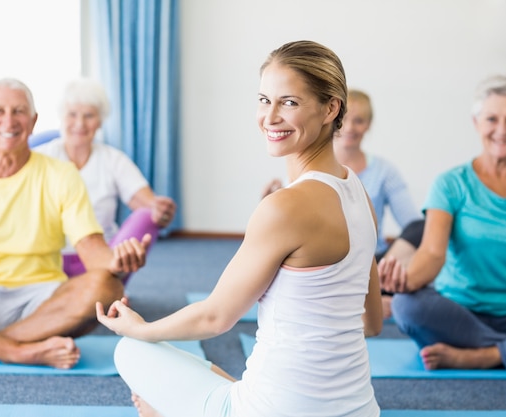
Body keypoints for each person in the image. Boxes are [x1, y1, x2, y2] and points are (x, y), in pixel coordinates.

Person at [97, 40, 383, 417]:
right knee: (205, 377)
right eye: (265, 100)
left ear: (331, 108)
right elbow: (374, 322)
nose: (270, 116)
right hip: (361, 409)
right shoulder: (358, 192)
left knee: (133, 352)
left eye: (289, 102)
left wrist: (137, 329)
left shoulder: (284, 207)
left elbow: (216, 317)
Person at [0, 78, 150, 369]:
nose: (9, 120)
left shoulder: (61, 174)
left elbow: (91, 249)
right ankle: (15, 350)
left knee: (107, 288)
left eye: (19, 111)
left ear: (33, 122)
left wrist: (118, 261)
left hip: (39, 299)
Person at [378, 73, 506, 371]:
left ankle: (486, 355)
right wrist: (402, 283)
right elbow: (432, 253)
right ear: (476, 123)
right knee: (407, 306)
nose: (502, 130)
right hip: (457, 313)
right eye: (492, 119)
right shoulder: (450, 184)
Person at [263, 89, 424, 318]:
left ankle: (370, 291)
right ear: (334, 118)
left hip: (371, 263)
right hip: (325, 259)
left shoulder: (384, 171)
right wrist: (272, 203)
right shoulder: (307, 166)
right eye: (346, 119)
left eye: (358, 121)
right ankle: (373, 298)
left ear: (368, 125)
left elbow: (413, 225)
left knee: (422, 227)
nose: (350, 128)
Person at [35, 78, 176, 279]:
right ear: (61, 117)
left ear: (100, 121)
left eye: (89, 115)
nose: (80, 123)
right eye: (72, 114)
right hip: (51, 260)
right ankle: (95, 292)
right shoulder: (41, 157)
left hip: (105, 261)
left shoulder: (113, 159)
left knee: (147, 215)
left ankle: (103, 285)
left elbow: (143, 200)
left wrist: (159, 209)